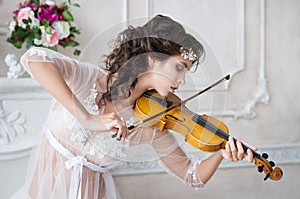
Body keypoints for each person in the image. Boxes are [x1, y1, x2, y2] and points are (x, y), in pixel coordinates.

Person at [19, 14, 257, 199]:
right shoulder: (89, 80)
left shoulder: (155, 122)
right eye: (179, 67)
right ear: (153, 58)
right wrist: (88, 119)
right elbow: (33, 58)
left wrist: (220, 153)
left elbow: (192, 176)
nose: (182, 80)